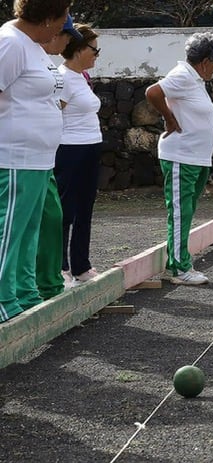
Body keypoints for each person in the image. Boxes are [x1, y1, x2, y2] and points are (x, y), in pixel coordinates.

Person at [0, 0, 72, 323]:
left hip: (39, 158)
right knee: (8, 231)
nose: (66, 23)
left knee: (29, 232)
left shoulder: (34, 46)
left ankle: (24, 294)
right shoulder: (10, 44)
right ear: (46, 18)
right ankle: (1, 299)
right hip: (14, 156)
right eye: (63, 16)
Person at [145, 32, 213, 285]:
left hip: (196, 158)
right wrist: (168, 118)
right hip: (181, 155)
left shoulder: (195, 80)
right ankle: (179, 268)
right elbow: (153, 92)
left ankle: (179, 261)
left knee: (186, 210)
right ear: (205, 61)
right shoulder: (182, 76)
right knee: (180, 211)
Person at [37, 15, 83, 299]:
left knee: (53, 216)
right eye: (66, 35)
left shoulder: (45, 61)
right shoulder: (14, 48)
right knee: (24, 225)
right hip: (22, 156)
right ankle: (24, 289)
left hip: (43, 155)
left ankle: (49, 283)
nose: (67, 42)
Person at [54, 24, 103, 285]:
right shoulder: (63, 78)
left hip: (90, 146)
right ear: (80, 49)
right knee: (65, 210)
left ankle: (81, 265)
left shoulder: (82, 77)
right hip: (69, 149)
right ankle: (60, 267)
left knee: (85, 207)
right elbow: (53, 116)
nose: (97, 55)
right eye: (95, 50)